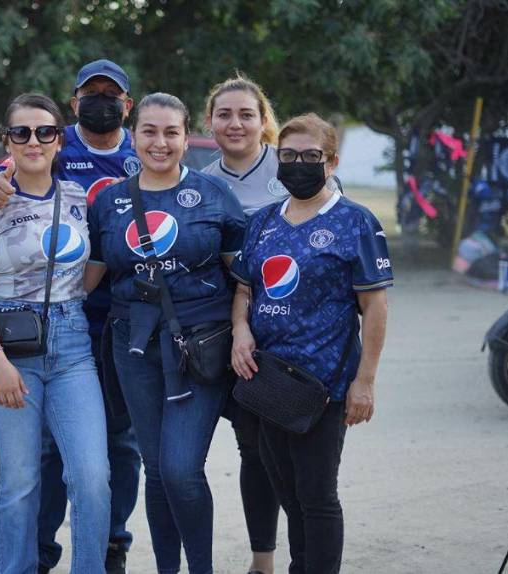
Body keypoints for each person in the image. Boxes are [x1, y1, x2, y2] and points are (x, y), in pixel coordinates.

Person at [0, 58, 141, 574]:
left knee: (108, 459)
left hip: (97, 331)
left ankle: (108, 550)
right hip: (18, 334)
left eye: (111, 94)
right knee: (31, 467)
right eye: (91, 93)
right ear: (73, 105)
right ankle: (35, 558)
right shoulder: (57, 150)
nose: (35, 139)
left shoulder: (146, 152)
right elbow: (2, 172)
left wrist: (73, 293)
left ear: (127, 105)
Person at [85, 92, 247, 574]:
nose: (160, 142)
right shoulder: (111, 200)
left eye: (171, 132)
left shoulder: (214, 195)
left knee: (180, 467)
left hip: (198, 345)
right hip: (131, 345)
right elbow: (89, 276)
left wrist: (242, 330)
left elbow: (243, 279)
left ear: (185, 136)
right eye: (149, 131)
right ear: (133, 135)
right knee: (156, 469)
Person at [230, 113, 392, 574]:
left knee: (317, 496)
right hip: (267, 382)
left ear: (331, 161)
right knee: (286, 489)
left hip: (326, 386)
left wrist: (366, 382)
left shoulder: (355, 222)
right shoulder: (262, 222)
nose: (297, 164)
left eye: (309, 157)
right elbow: (244, 289)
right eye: (288, 155)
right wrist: (241, 330)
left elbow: (375, 308)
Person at [201, 73, 283, 574]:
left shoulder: (291, 169)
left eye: (246, 114)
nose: (235, 123)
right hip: (221, 335)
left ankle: (282, 558)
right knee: (246, 447)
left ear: (263, 122)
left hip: (285, 338)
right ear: (209, 122)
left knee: (275, 451)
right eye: (225, 114)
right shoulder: (200, 183)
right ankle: (260, 560)